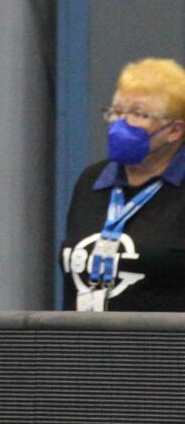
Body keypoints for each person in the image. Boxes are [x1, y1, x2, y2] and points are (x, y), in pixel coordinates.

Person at [61, 58, 185, 311]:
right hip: (84, 334)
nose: (120, 124)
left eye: (138, 114)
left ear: (174, 131)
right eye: (117, 112)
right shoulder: (92, 181)